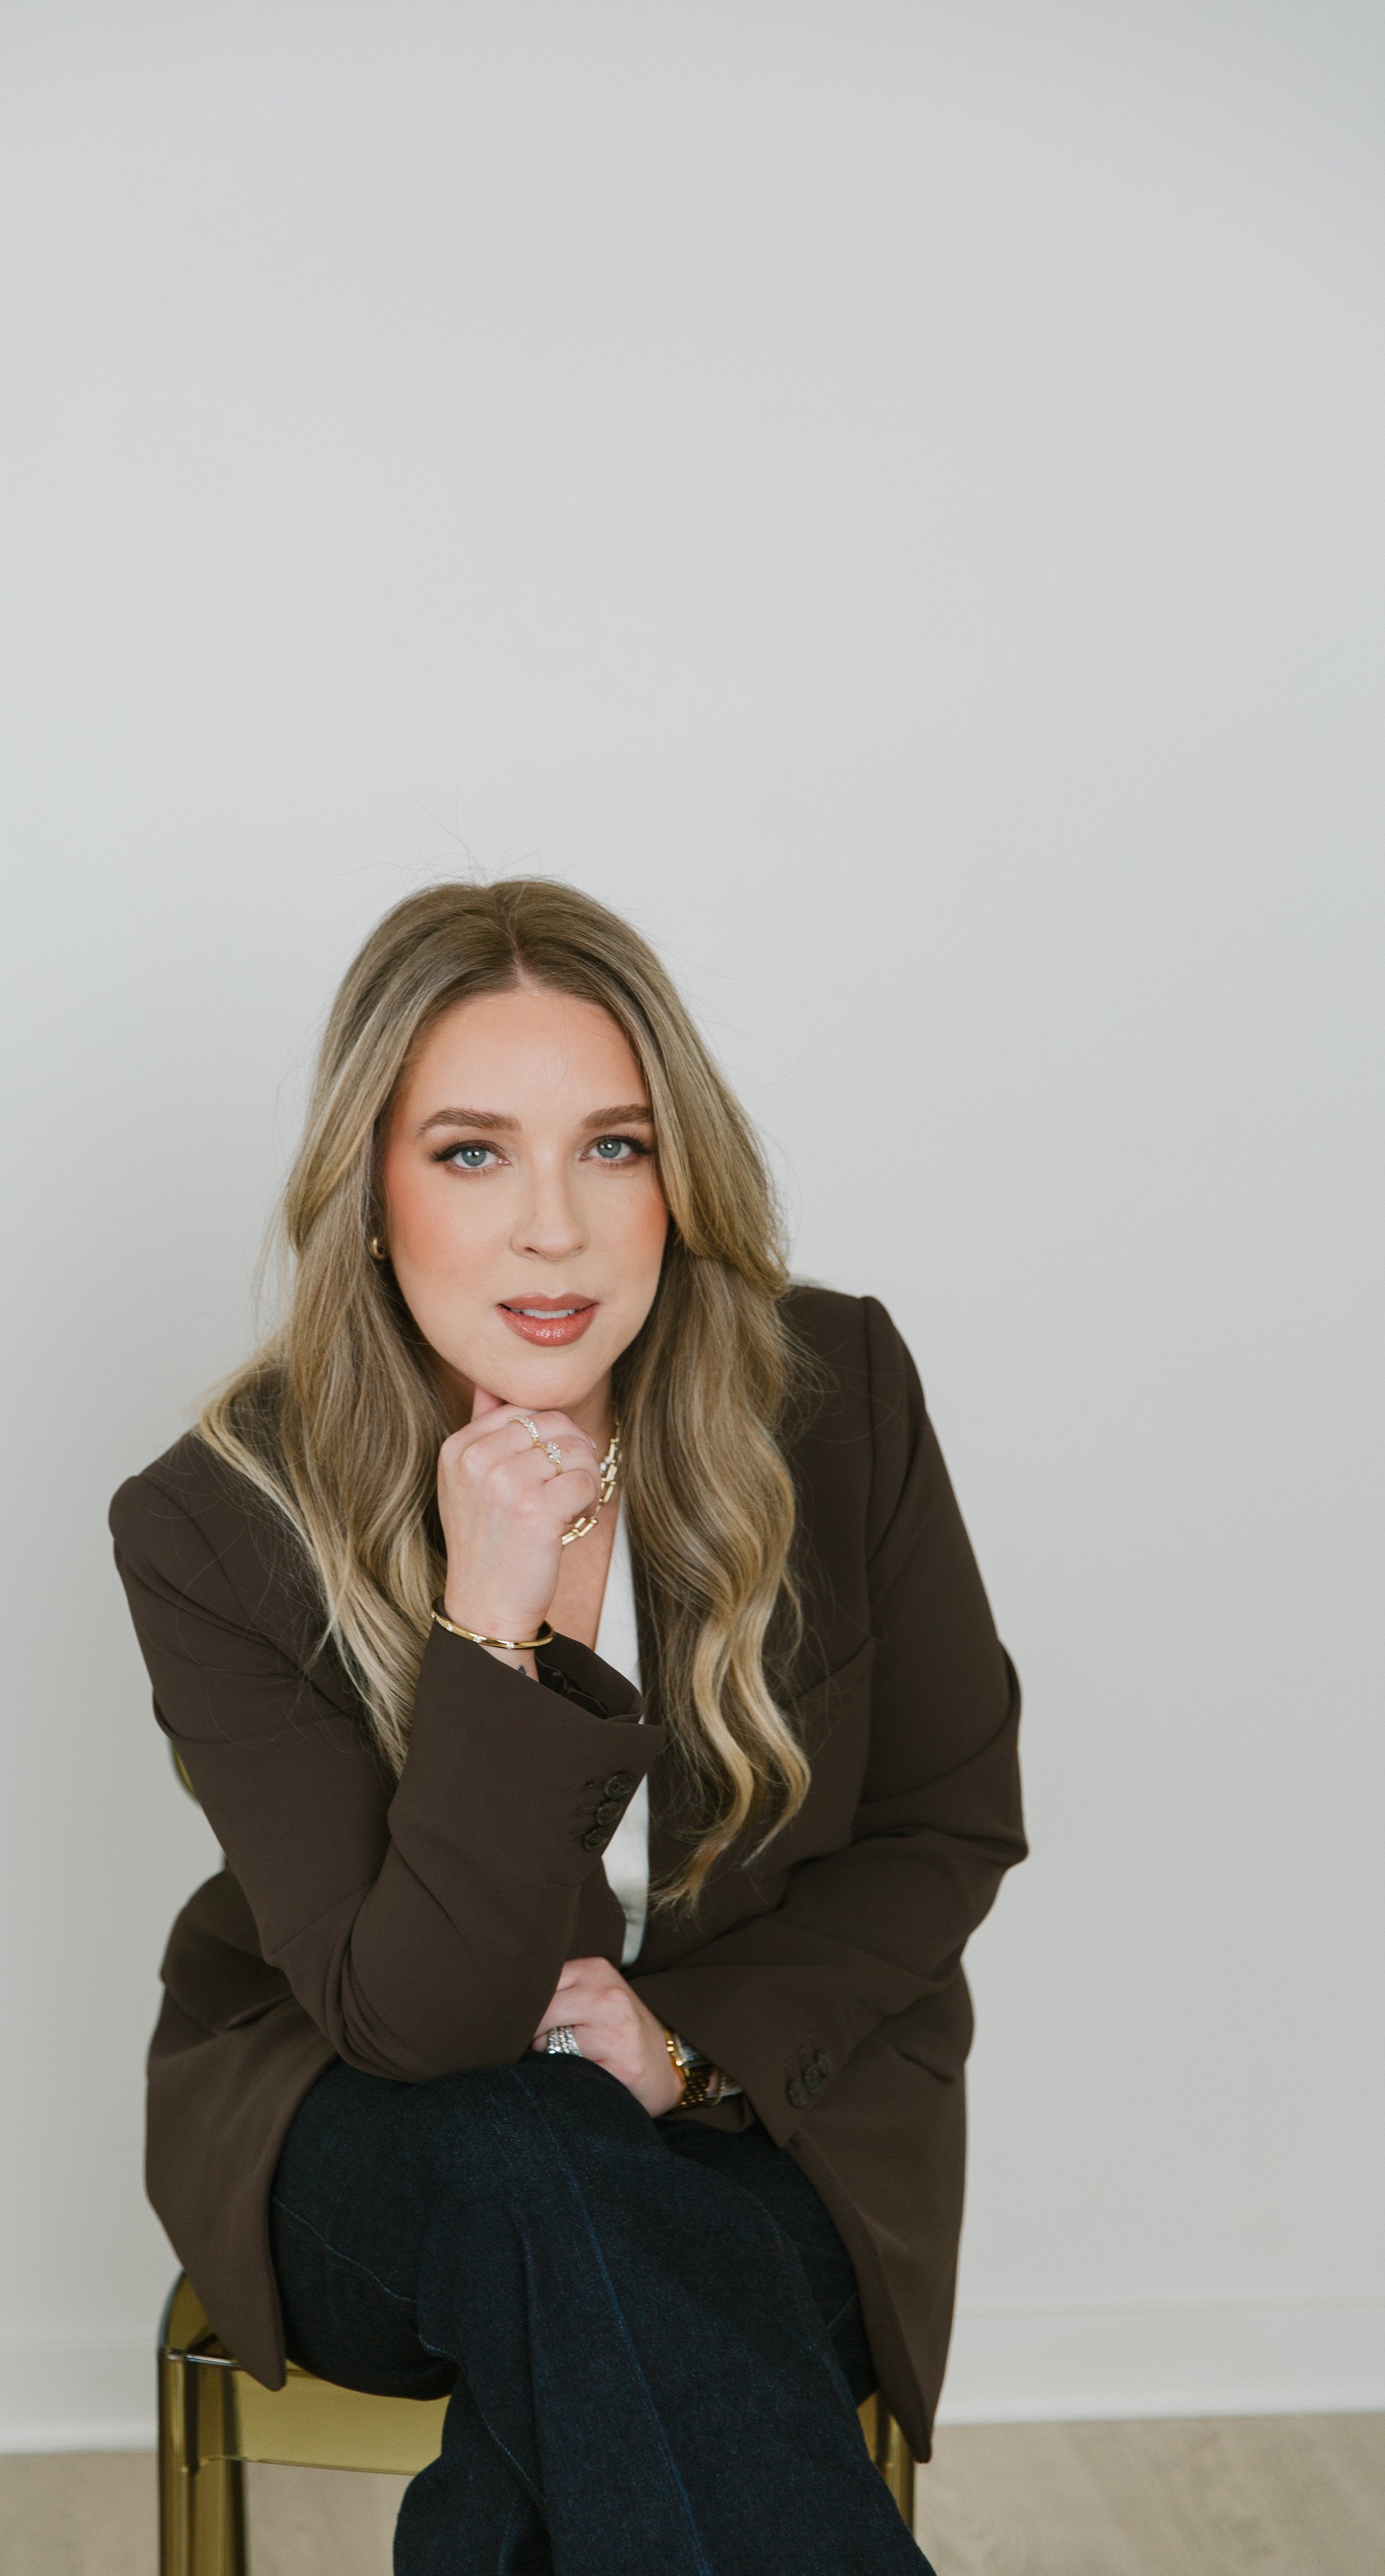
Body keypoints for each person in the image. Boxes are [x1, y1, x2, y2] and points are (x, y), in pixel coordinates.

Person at [111, 877, 1025, 2575]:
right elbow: (415, 2024)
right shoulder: (214, 1521)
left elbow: (942, 1825)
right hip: (377, 2134)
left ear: (679, 1181)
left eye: (612, 1147)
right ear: (368, 1194)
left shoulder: (834, 1397)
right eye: (471, 1153)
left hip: (764, 2102)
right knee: (542, 2165)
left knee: (589, 2356)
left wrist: (685, 2045)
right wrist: (487, 1628)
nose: (553, 1228)